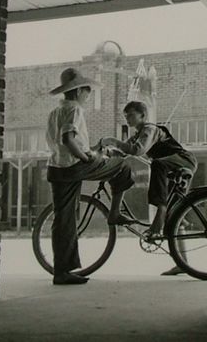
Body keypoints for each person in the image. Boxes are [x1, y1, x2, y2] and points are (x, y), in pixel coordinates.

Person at [46, 67, 135, 285]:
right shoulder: (75, 109)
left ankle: (62, 272)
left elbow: (62, 142)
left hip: (56, 167)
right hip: (75, 165)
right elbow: (68, 139)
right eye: (87, 91)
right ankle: (114, 213)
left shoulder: (55, 112)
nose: (88, 95)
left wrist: (92, 150)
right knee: (122, 166)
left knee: (63, 219)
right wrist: (87, 158)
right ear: (78, 91)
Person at [101, 100, 197, 240]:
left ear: (143, 115)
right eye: (126, 116)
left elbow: (137, 150)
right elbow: (122, 152)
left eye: (131, 115)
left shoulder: (149, 129)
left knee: (157, 165)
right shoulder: (137, 135)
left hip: (183, 160)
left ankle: (160, 213)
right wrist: (104, 151)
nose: (127, 118)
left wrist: (113, 141)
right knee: (175, 214)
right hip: (170, 168)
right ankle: (181, 259)